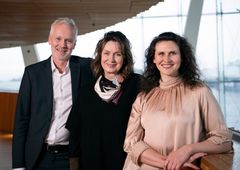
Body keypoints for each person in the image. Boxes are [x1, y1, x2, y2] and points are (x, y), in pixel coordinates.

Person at [123, 32, 233, 170]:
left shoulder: (200, 91)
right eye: (161, 54)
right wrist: (168, 163)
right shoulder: (144, 97)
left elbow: (224, 140)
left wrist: (187, 150)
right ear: (154, 59)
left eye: (172, 53)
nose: (166, 59)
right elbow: (131, 143)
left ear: (182, 57)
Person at [12, 17, 92, 170]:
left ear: (74, 44)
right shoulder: (32, 73)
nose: (63, 45)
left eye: (68, 40)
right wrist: (18, 165)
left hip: (70, 157)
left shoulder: (85, 68)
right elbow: (21, 120)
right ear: (49, 39)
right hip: (37, 156)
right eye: (58, 38)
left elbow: (110, 66)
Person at [66, 31, 142, 170]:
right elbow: (75, 131)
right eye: (106, 53)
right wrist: (73, 164)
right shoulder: (87, 90)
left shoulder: (137, 85)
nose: (111, 59)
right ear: (100, 56)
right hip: (90, 164)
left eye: (117, 54)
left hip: (124, 164)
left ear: (125, 58)